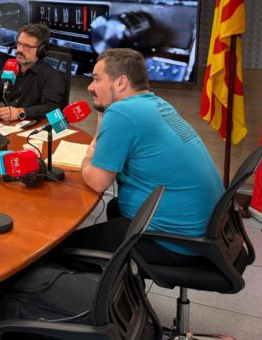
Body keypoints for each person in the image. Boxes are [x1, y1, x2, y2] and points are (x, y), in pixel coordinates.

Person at [64, 48, 224, 264]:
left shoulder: (122, 113)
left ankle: (98, 290)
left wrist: (86, 159)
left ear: (120, 83)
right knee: (114, 207)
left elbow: (97, 182)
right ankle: (119, 285)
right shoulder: (156, 104)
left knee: (59, 249)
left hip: (177, 241)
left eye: (96, 79)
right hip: (207, 232)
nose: (90, 87)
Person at [0, 23, 65, 122]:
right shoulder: (9, 68)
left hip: (36, 131)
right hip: (9, 127)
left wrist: (20, 113)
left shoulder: (51, 76)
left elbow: (50, 109)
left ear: (41, 50)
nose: (20, 50)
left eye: (27, 46)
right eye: (19, 44)